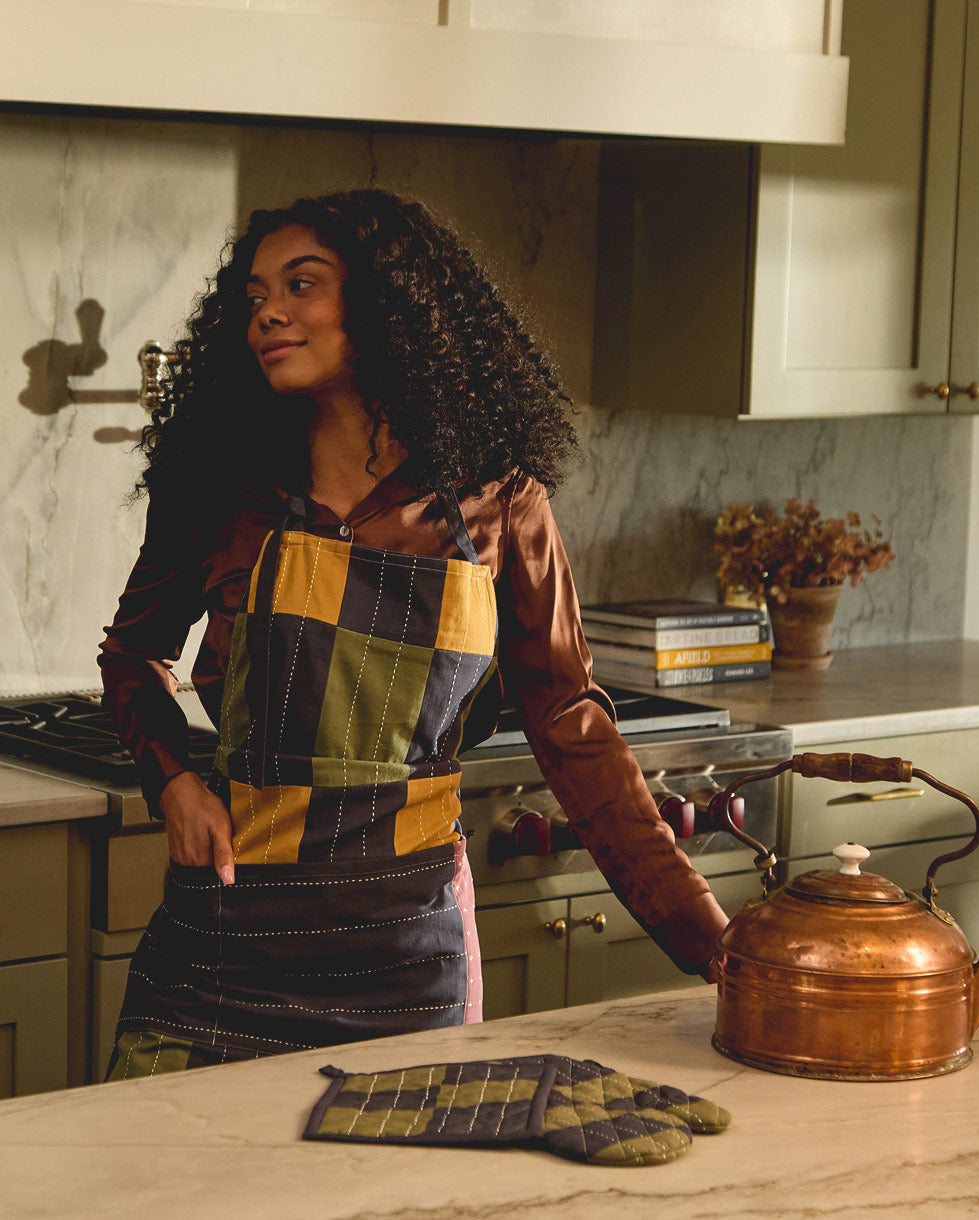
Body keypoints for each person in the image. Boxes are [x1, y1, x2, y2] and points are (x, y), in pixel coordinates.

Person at [98, 188, 728, 1079]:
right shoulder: (218, 485)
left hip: (404, 947)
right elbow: (132, 654)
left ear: (388, 301)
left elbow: (570, 725)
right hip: (225, 944)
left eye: (302, 284)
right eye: (253, 296)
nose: (268, 312)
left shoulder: (501, 503)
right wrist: (172, 782)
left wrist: (709, 941)